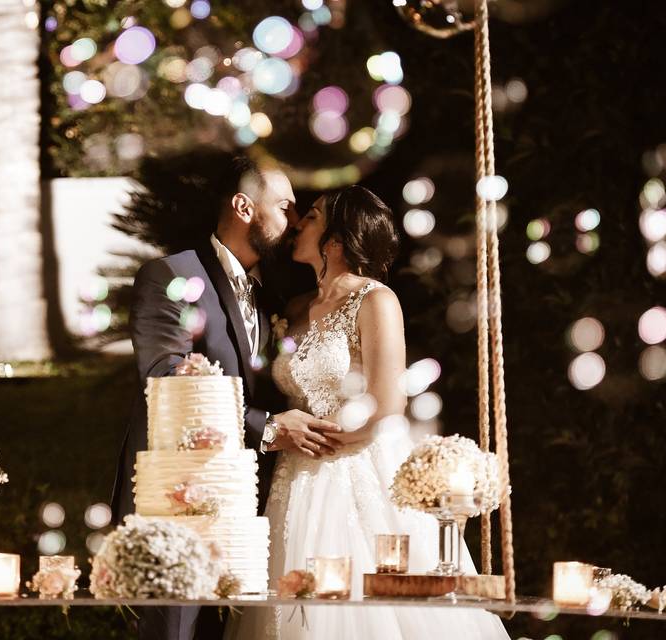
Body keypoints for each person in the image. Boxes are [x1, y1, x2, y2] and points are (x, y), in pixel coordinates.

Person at [228, 186, 510, 639]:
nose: (299, 222)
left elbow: (387, 406)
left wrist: (319, 442)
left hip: (358, 468)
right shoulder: (295, 308)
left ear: (336, 238)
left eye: (313, 216)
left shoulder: (375, 300)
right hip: (292, 476)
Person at [111, 154, 342, 640]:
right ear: (244, 207)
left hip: (244, 518)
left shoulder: (269, 299)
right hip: (178, 512)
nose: (294, 220)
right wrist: (273, 428)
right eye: (284, 206)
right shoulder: (172, 276)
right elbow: (166, 379)